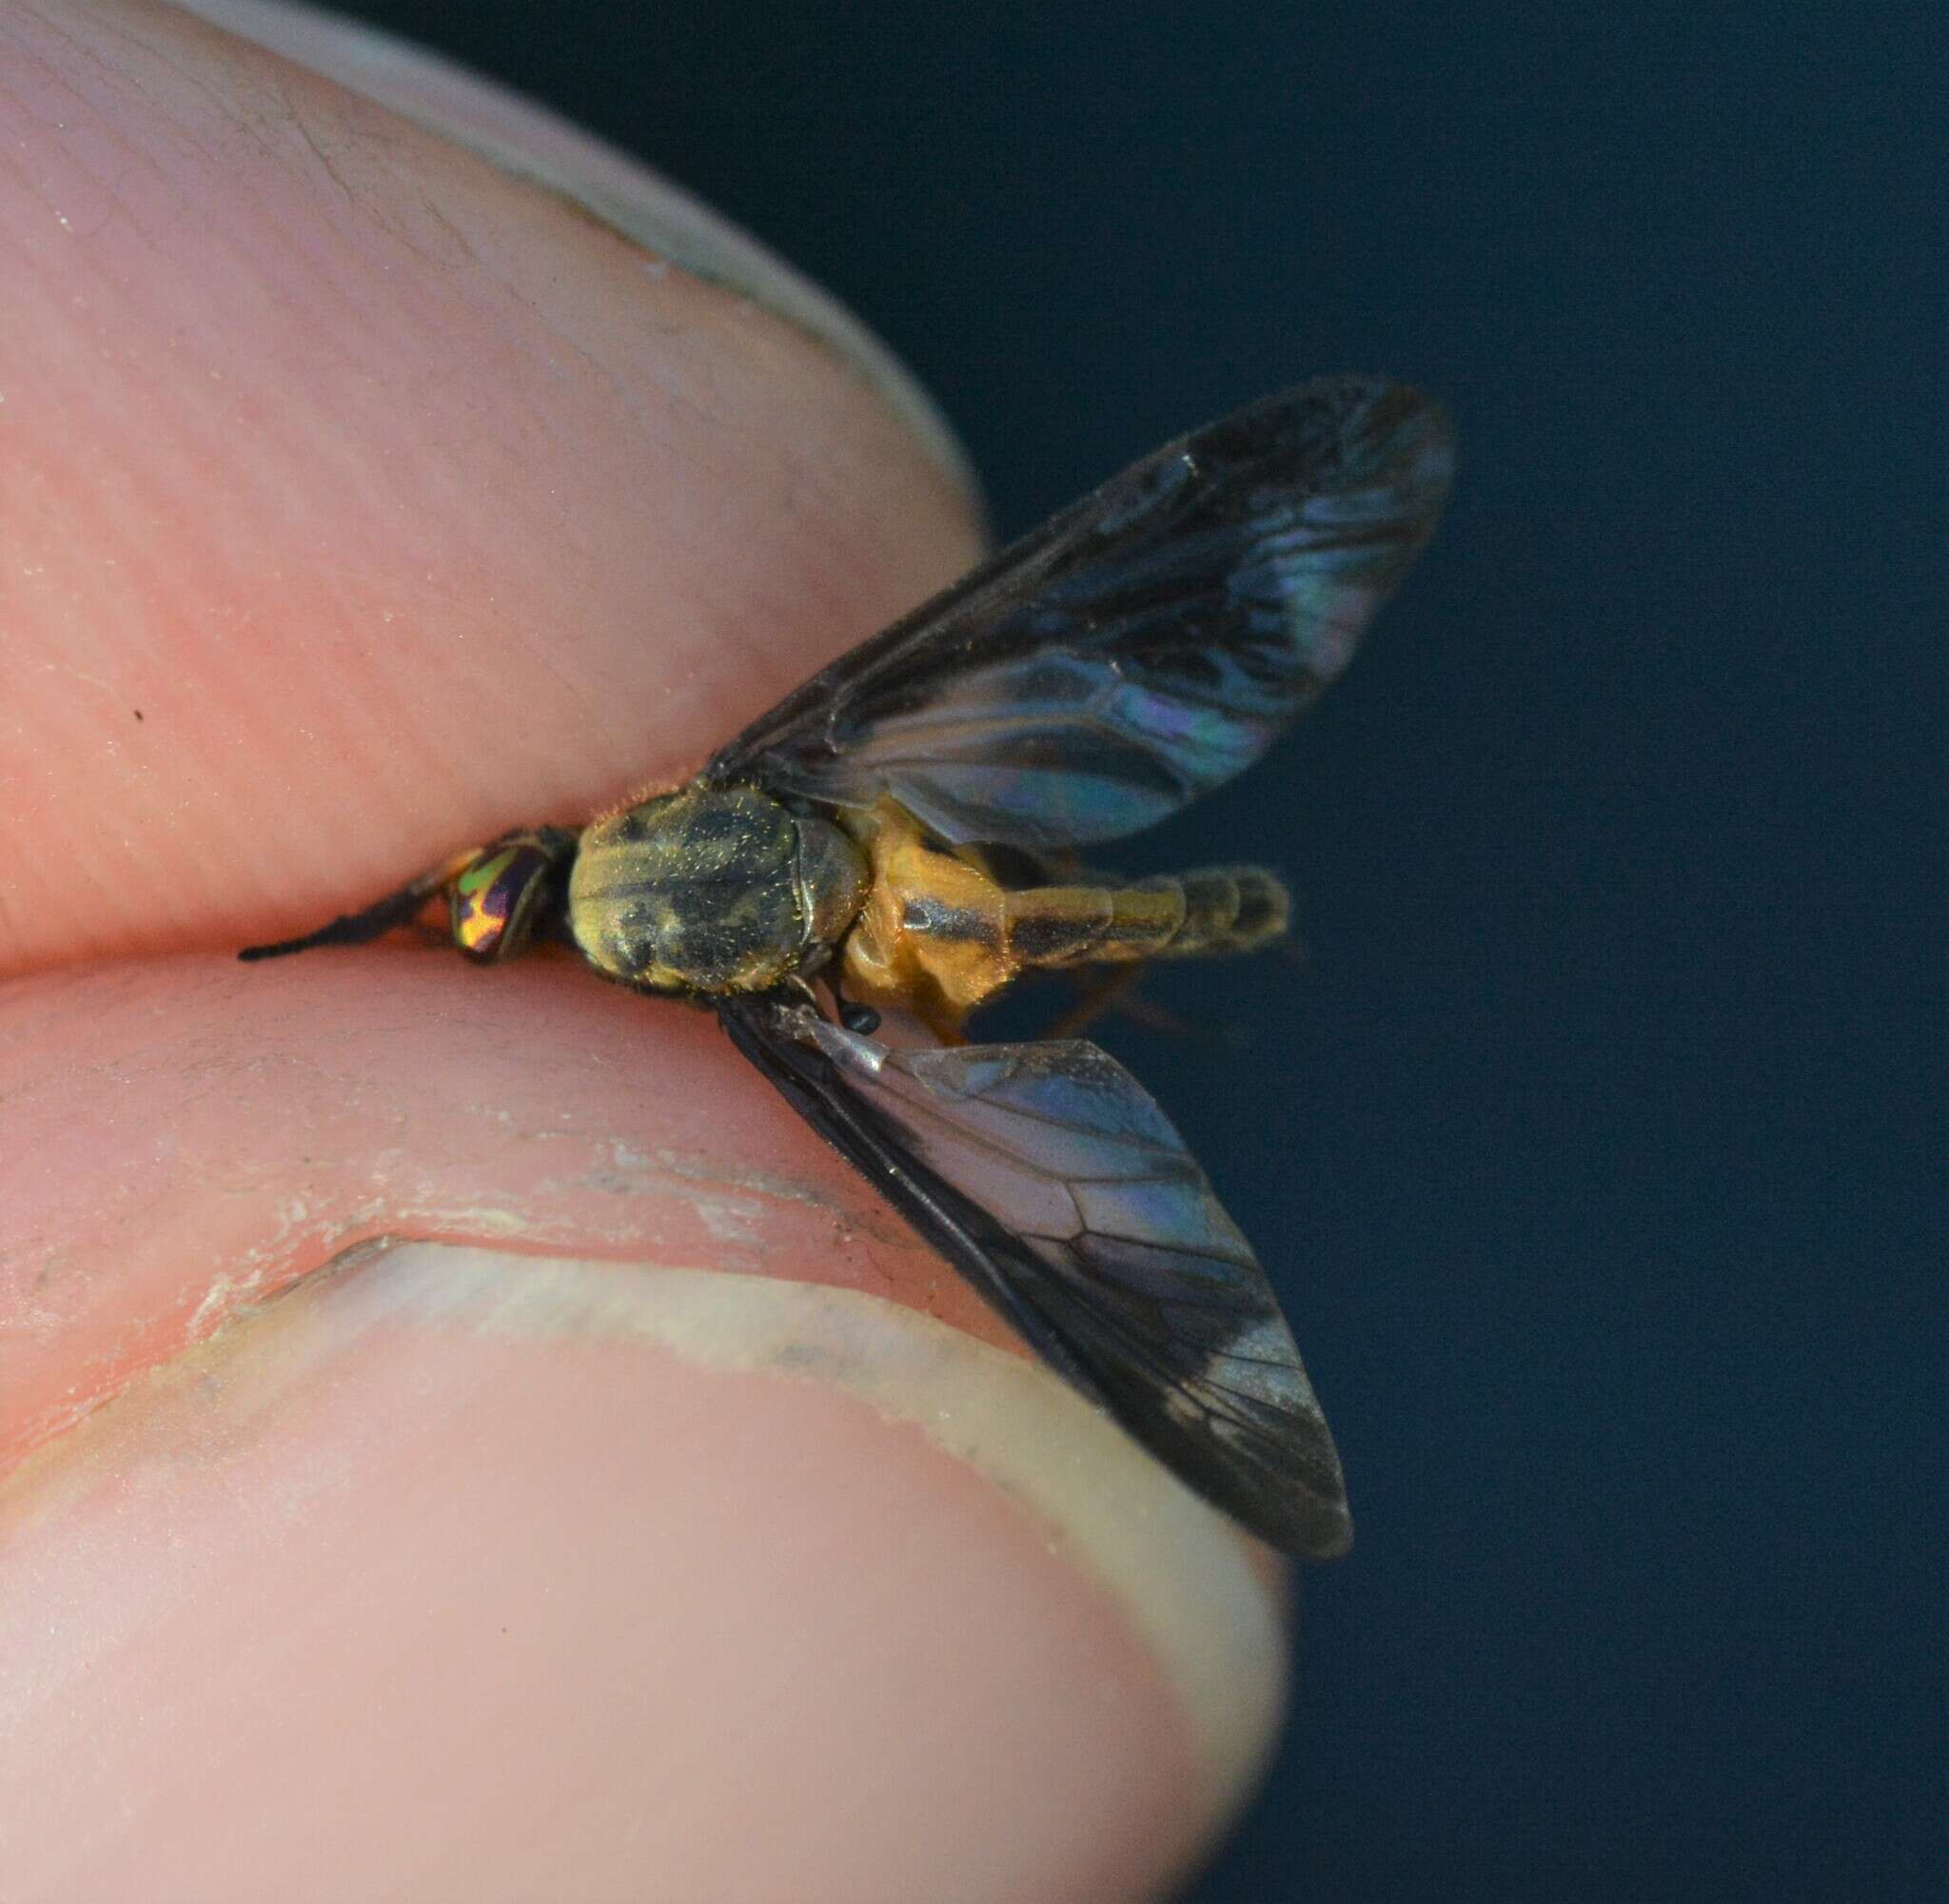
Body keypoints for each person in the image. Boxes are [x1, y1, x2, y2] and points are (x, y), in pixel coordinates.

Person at [0, 4, 1291, 1897]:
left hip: (886, 938)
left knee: (983, 1171)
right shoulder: (758, 785)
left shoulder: (758, 1015)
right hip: (878, 842)